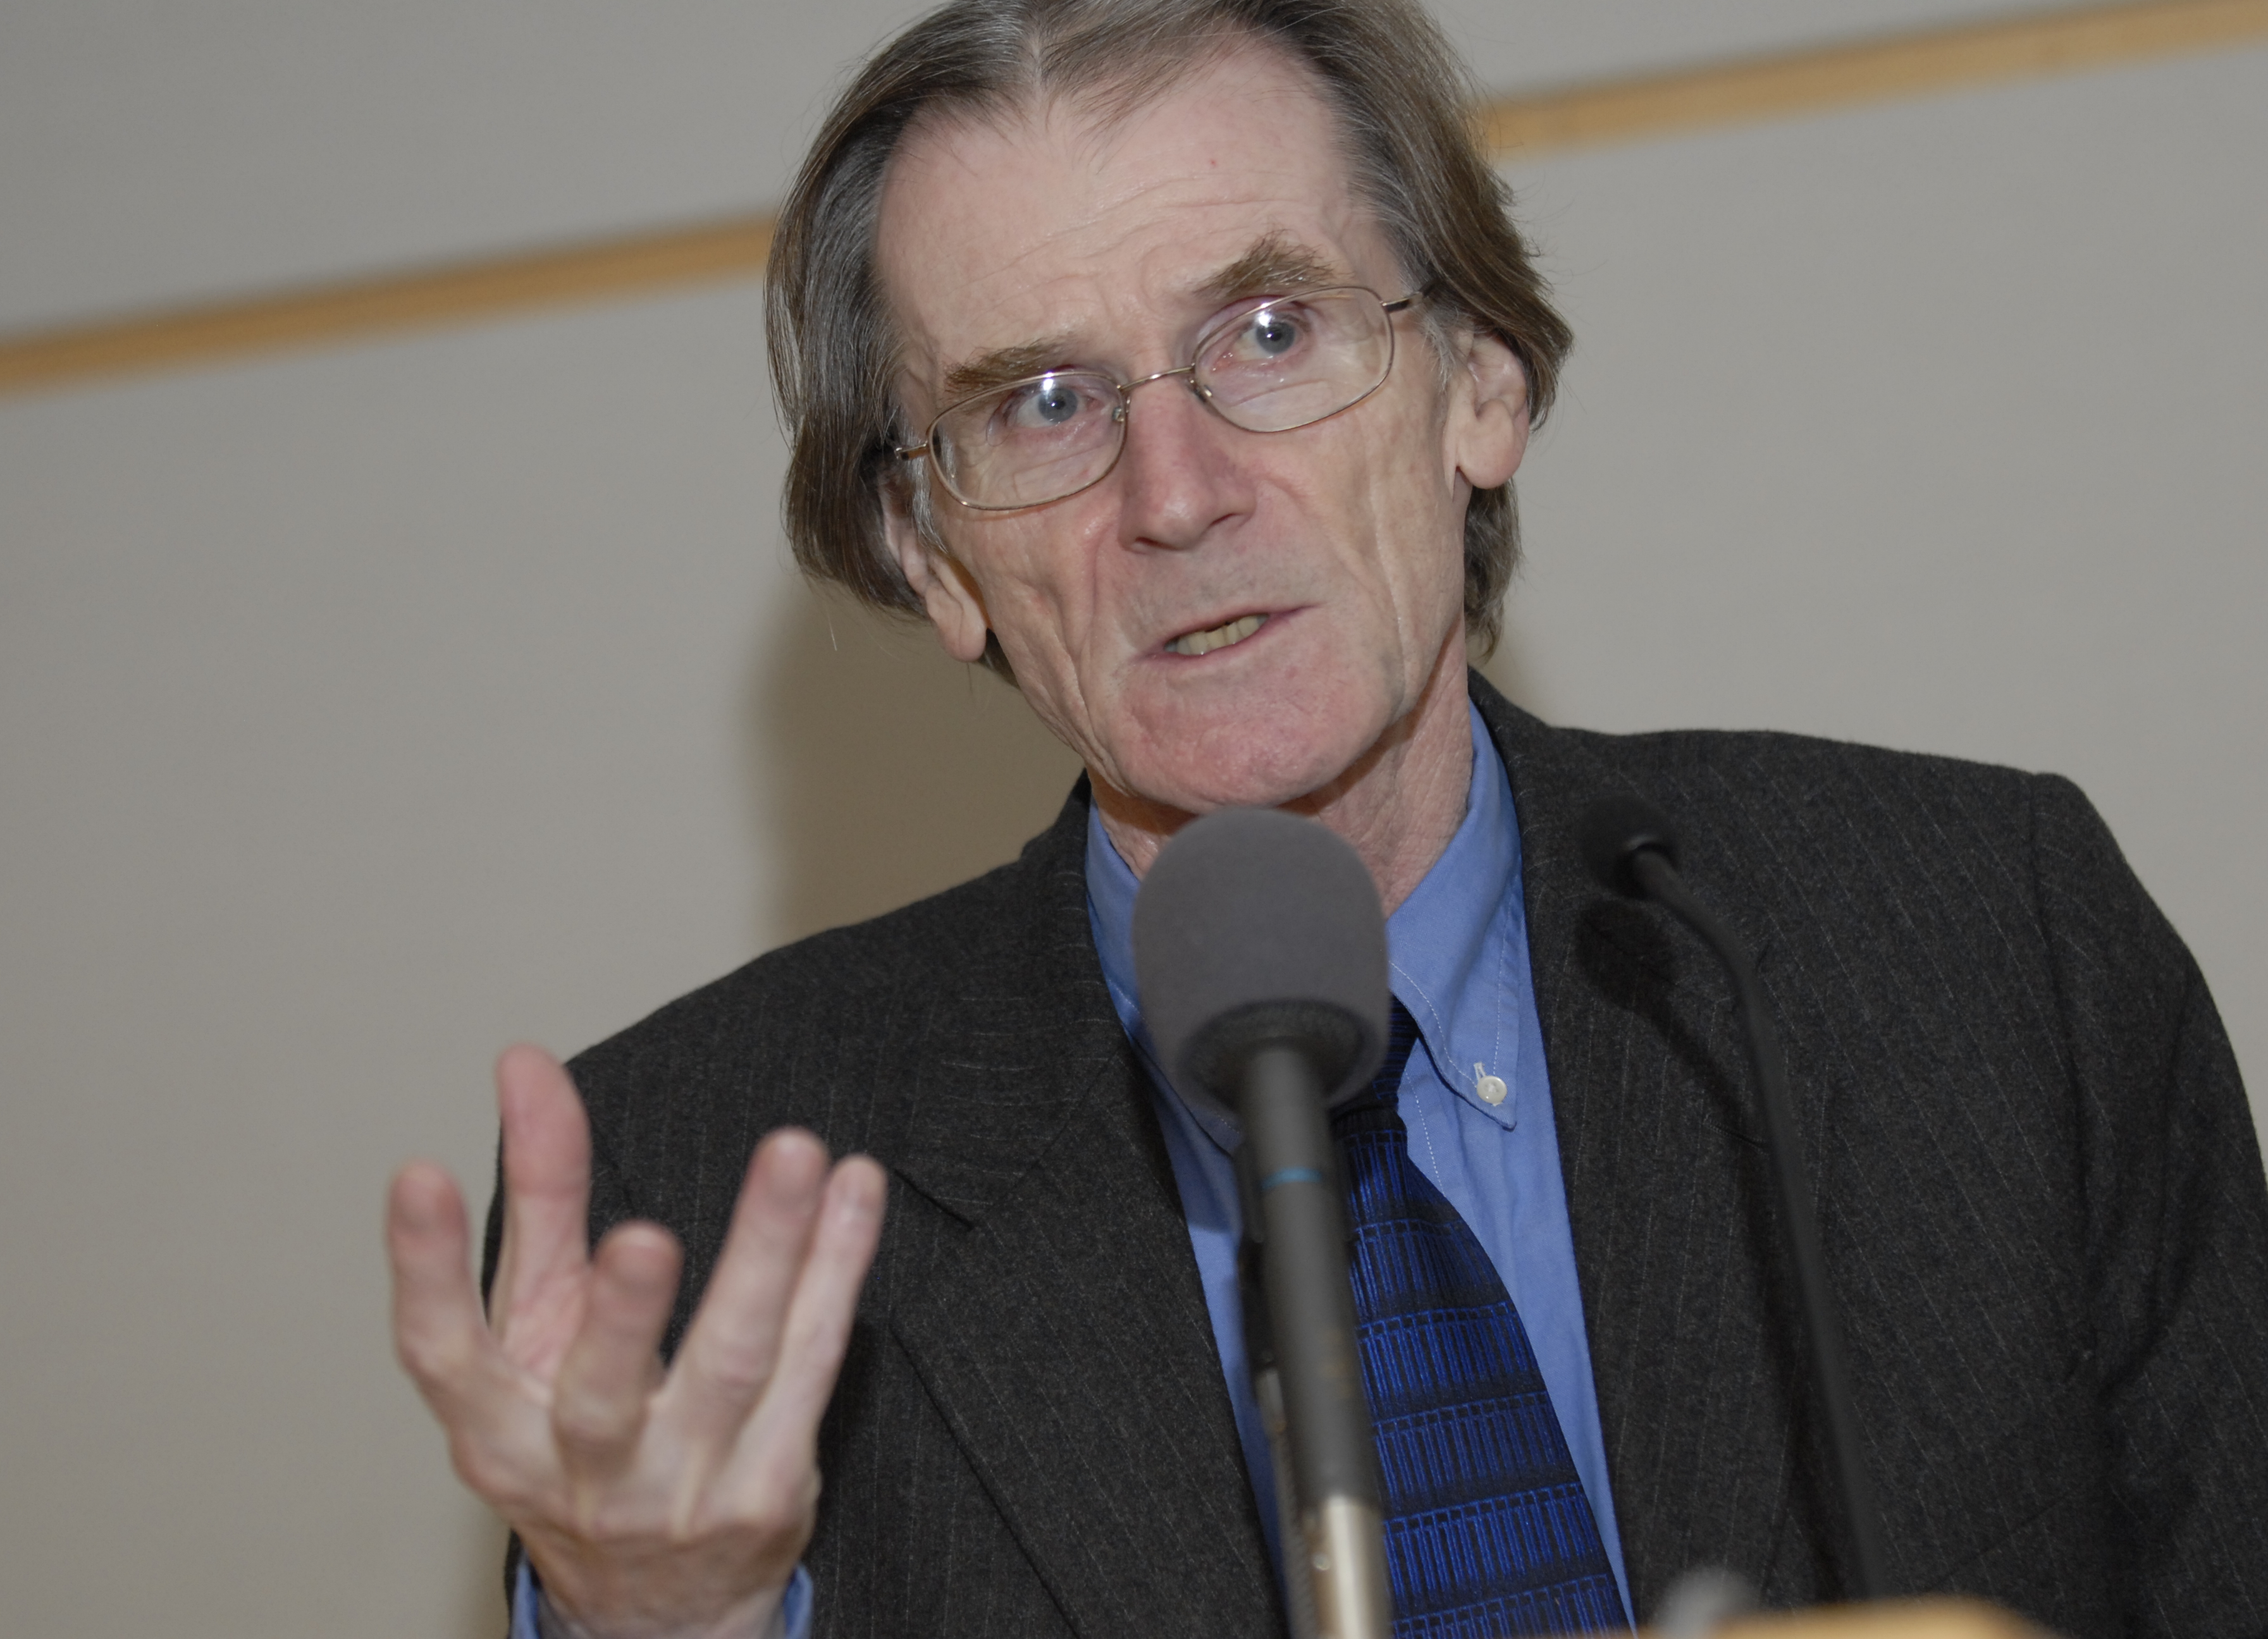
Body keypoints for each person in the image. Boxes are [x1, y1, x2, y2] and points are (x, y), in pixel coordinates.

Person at [384, 2, 2268, 1636]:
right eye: (1043, 404)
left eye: (1271, 330)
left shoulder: (1988, 951)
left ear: (1479, 388)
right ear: (934, 558)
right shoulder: (703, 1189)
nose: (1176, 492)